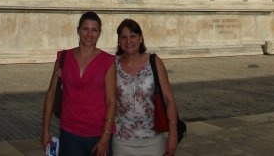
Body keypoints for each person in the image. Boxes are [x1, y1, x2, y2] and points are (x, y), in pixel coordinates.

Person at [41, 11, 116, 156]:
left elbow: (111, 101)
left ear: (99, 33)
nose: (89, 34)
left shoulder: (108, 61)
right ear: (78, 30)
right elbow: (50, 94)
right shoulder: (64, 57)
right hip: (70, 132)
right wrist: (45, 130)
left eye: (94, 30)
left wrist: (106, 136)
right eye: (85, 29)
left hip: (98, 133)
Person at [113, 19, 178, 156]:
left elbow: (168, 99)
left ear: (141, 38)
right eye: (124, 37)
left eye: (133, 36)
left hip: (152, 140)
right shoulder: (113, 65)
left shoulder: (154, 62)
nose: (128, 41)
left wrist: (173, 133)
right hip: (121, 141)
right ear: (119, 41)